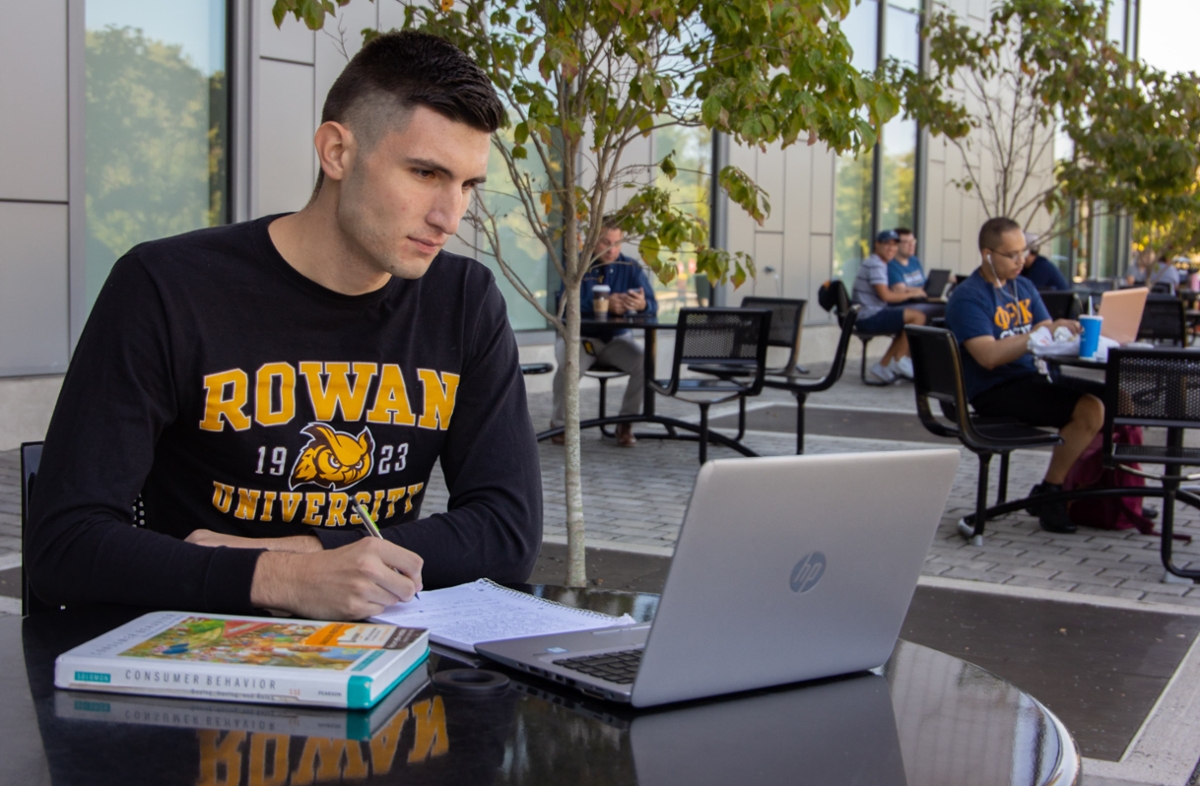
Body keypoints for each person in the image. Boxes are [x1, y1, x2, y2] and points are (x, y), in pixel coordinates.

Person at [26, 31, 543, 620]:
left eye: (467, 184)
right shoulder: (166, 286)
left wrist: (309, 556)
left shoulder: (464, 300)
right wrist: (282, 579)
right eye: (425, 173)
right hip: (191, 656)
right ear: (336, 152)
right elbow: (63, 545)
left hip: (376, 664)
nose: (450, 216)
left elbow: (509, 532)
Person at [945, 217, 1104, 534]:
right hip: (993, 389)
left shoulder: (1024, 286)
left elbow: (1045, 333)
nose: (1022, 260)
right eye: (1012, 254)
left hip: (1033, 377)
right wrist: (1037, 334)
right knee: (1090, 408)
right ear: (987, 254)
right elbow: (988, 356)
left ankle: (1112, 500)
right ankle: (1051, 492)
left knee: (1116, 399)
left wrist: (1065, 333)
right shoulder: (969, 297)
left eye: (1024, 252)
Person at [550, 222, 658, 447]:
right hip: (579, 338)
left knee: (644, 363)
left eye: (617, 243)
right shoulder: (577, 266)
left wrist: (642, 304)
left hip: (616, 339)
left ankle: (626, 423)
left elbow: (653, 306)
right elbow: (565, 303)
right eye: (606, 243)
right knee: (569, 365)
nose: (612, 250)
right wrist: (604, 304)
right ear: (592, 241)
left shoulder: (631, 268)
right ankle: (560, 425)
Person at [852, 229, 928, 383]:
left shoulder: (879, 263)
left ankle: (883, 365)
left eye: (894, 245)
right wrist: (912, 294)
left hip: (871, 313)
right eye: (887, 244)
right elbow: (886, 296)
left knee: (907, 323)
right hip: (869, 317)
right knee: (917, 317)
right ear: (877, 245)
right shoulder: (875, 264)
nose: (891, 248)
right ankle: (899, 361)